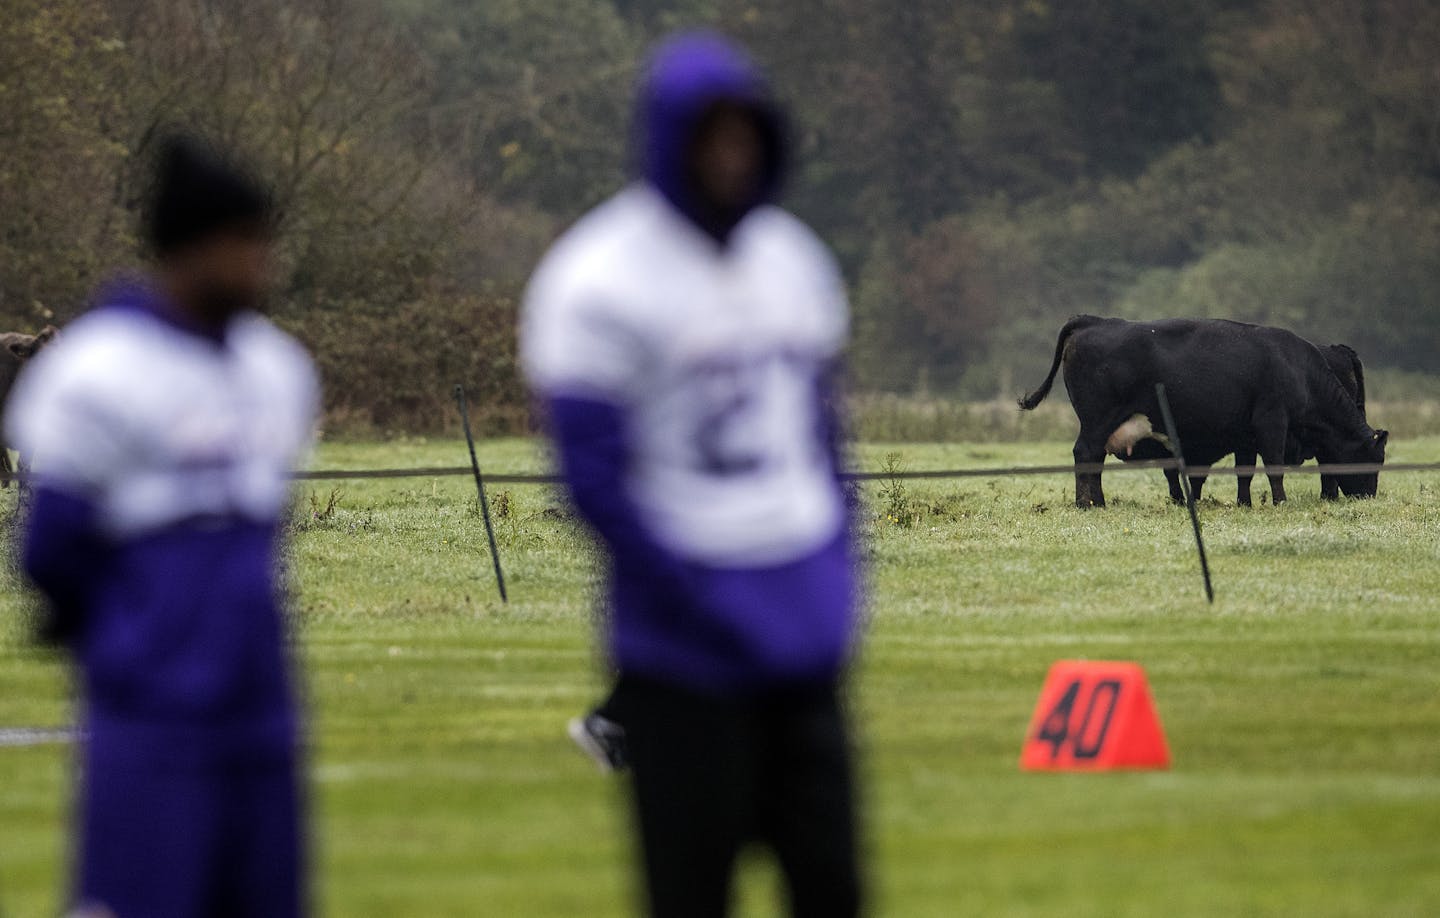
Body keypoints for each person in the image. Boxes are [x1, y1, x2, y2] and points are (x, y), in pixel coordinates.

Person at [522, 32, 863, 918]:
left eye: (745, 135)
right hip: (684, 649)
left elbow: (824, 439)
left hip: (800, 630)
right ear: (670, 140)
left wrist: (835, 578)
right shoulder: (595, 279)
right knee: (690, 891)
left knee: (834, 885)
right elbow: (592, 480)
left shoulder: (792, 257)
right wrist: (690, 594)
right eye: (712, 137)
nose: (731, 156)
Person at [5, 134, 319, 917]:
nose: (264, 265)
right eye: (247, 244)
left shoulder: (278, 371)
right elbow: (52, 550)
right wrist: (138, 642)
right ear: (192, 249)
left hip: (264, 713)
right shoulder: (94, 372)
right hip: (149, 714)